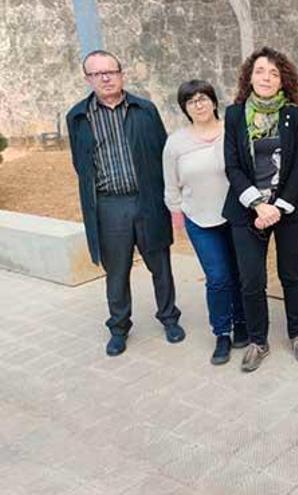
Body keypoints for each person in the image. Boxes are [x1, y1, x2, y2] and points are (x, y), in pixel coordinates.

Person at [66, 49, 185, 356]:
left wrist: (169, 199)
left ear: (121, 74)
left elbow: (163, 154)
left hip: (147, 200)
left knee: (160, 265)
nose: (105, 78)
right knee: (116, 271)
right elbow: (81, 165)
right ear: (88, 79)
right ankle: (119, 327)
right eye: (97, 73)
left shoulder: (145, 110)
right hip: (108, 207)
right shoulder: (78, 117)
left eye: (111, 71)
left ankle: (169, 318)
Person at [223, 46, 298, 372]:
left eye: (274, 73)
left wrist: (277, 207)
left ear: (283, 80)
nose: (266, 77)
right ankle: (258, 342)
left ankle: (297, 334)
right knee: (251, 280)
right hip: (247, 208)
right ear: (249, 76)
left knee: (292, 274)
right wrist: (259, 205)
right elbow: (232, 165)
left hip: (289, 208)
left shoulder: (296, 116)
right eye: (260, 70)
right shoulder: (234, 115)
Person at [163, 80, 248, 365]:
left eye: (203, 98)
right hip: (199, 218)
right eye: (191, 101)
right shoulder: (176, 142)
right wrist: (177, 215)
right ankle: (222, 332)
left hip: (236, 216)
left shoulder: (232, 131)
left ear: (213, 101)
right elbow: (170, 184)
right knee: (218, 277)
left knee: (239, 273)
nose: (198, 105)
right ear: (185, 108)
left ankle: (242, 324)